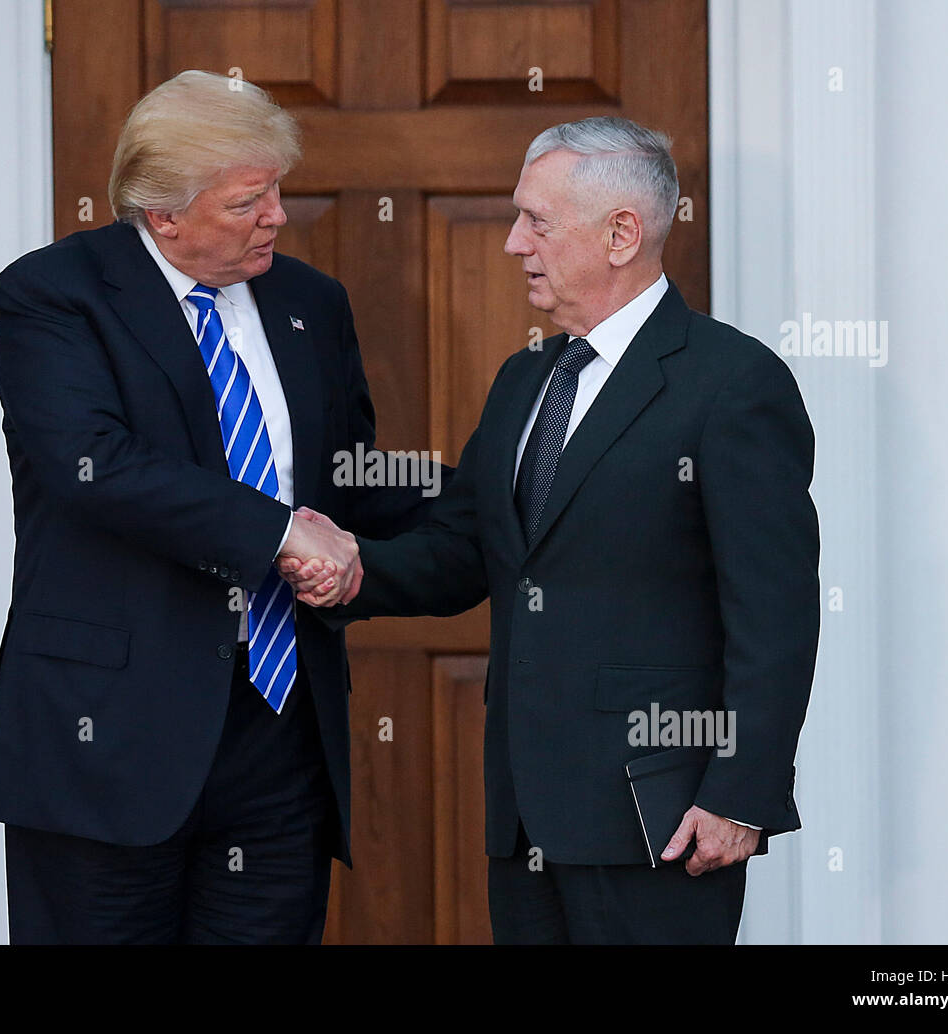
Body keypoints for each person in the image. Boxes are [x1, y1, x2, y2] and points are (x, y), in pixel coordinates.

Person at [283, 116, 821, 944]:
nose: (511, 243)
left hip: (663, 818)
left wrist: (740, 795)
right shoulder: (527, 378)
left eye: (536, 220)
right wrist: (356, 575)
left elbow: (776, 614)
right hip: (525, 815)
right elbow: (467, 550)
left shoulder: (733, 383)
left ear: (621, 234)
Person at [0, 70, 434, 943]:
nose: (278, 217)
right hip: (106, 741)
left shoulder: (309, 301)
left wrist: (495, 489)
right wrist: (278, 532)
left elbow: (344, 472)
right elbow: (95, 467)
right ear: (163, 214)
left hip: (278, 736)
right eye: (248, 202)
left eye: (276, 192)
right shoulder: (53, 295)